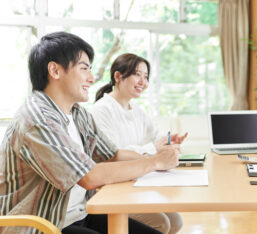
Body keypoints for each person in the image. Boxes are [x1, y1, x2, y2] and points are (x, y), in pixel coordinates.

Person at [0, 31, 180, 234]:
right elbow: (89, 177)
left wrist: (158, 158)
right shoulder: (36, 119)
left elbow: (113, 155)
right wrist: (153, 163)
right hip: (41, 226)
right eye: (84, 68)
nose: (92, 78)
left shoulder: (77, 114)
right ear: (55, 71)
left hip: (79, 216)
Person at [90, 53, 186, 234]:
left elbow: (154, 136)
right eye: (137, 74)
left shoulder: (137, 110)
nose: (143, 81)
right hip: (113, 186)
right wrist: (154, 149)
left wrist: (167, 141)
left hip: (135, 181)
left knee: (175, 221)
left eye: (146, 76)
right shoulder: (101, 110)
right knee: (162, 223)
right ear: (117, 77)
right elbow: (113, 154)